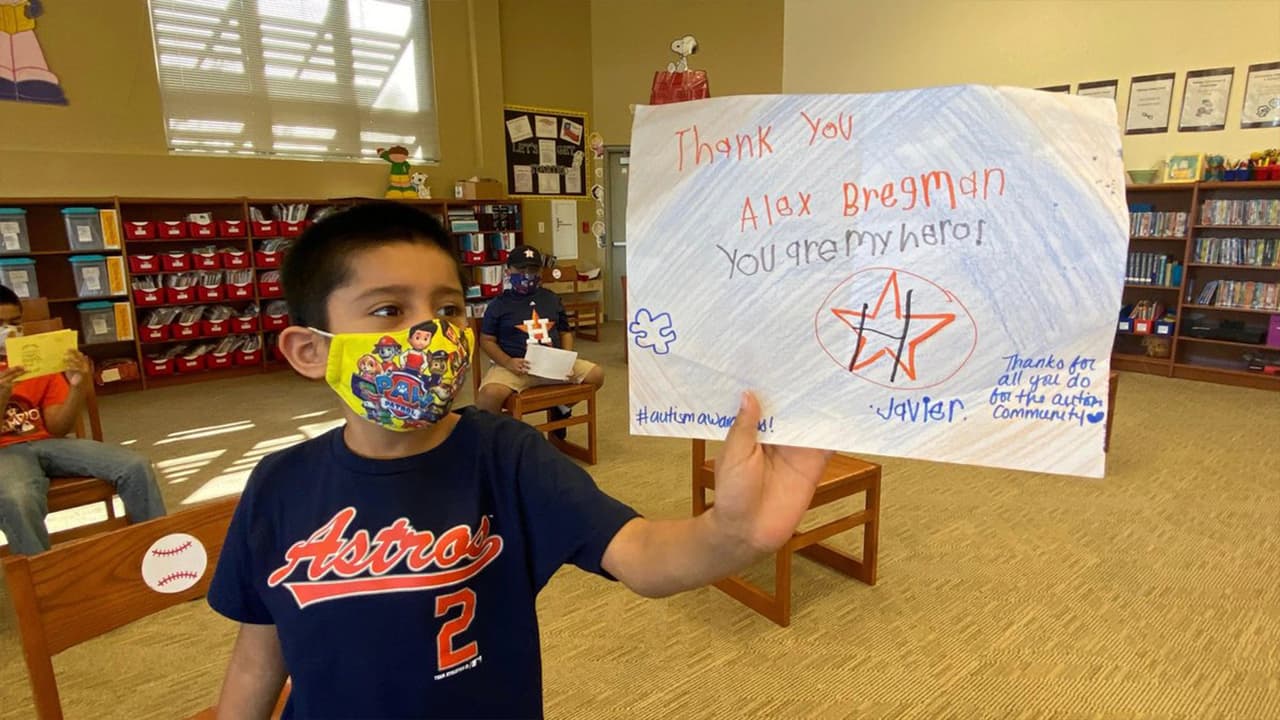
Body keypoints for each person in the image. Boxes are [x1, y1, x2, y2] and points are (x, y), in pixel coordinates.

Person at [208, 202, 830, 719]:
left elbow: (641, 554)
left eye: (447, 309)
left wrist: (733, 533)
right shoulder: (278, 484)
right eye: (389, 310)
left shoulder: (506, 457)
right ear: (310, 350)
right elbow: (258, 660)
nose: (431, 333)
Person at [0, 285, 165, 555]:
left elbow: (58, 427)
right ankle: (39, 571)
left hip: (47, 444)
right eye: (0, 324)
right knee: (18, 498)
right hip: (4, 453)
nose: (8, 331)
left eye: (15, 323)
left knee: (135, 466)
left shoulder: (35, 360)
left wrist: (77, 386)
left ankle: (159, 550)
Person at [475, 245, 603, 436]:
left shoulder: (551, 298)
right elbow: (486, 340)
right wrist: (508, 362)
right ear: (508, 271)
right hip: (515, 366)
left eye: (533, 270)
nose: (527, 275)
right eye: (521, 270)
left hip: (552, 365)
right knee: (488, 396)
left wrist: (565, 359)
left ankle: (560, 408)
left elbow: (565, 332)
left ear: (541, 272)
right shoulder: (498, 304)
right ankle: (501, 437)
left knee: (596, 375)